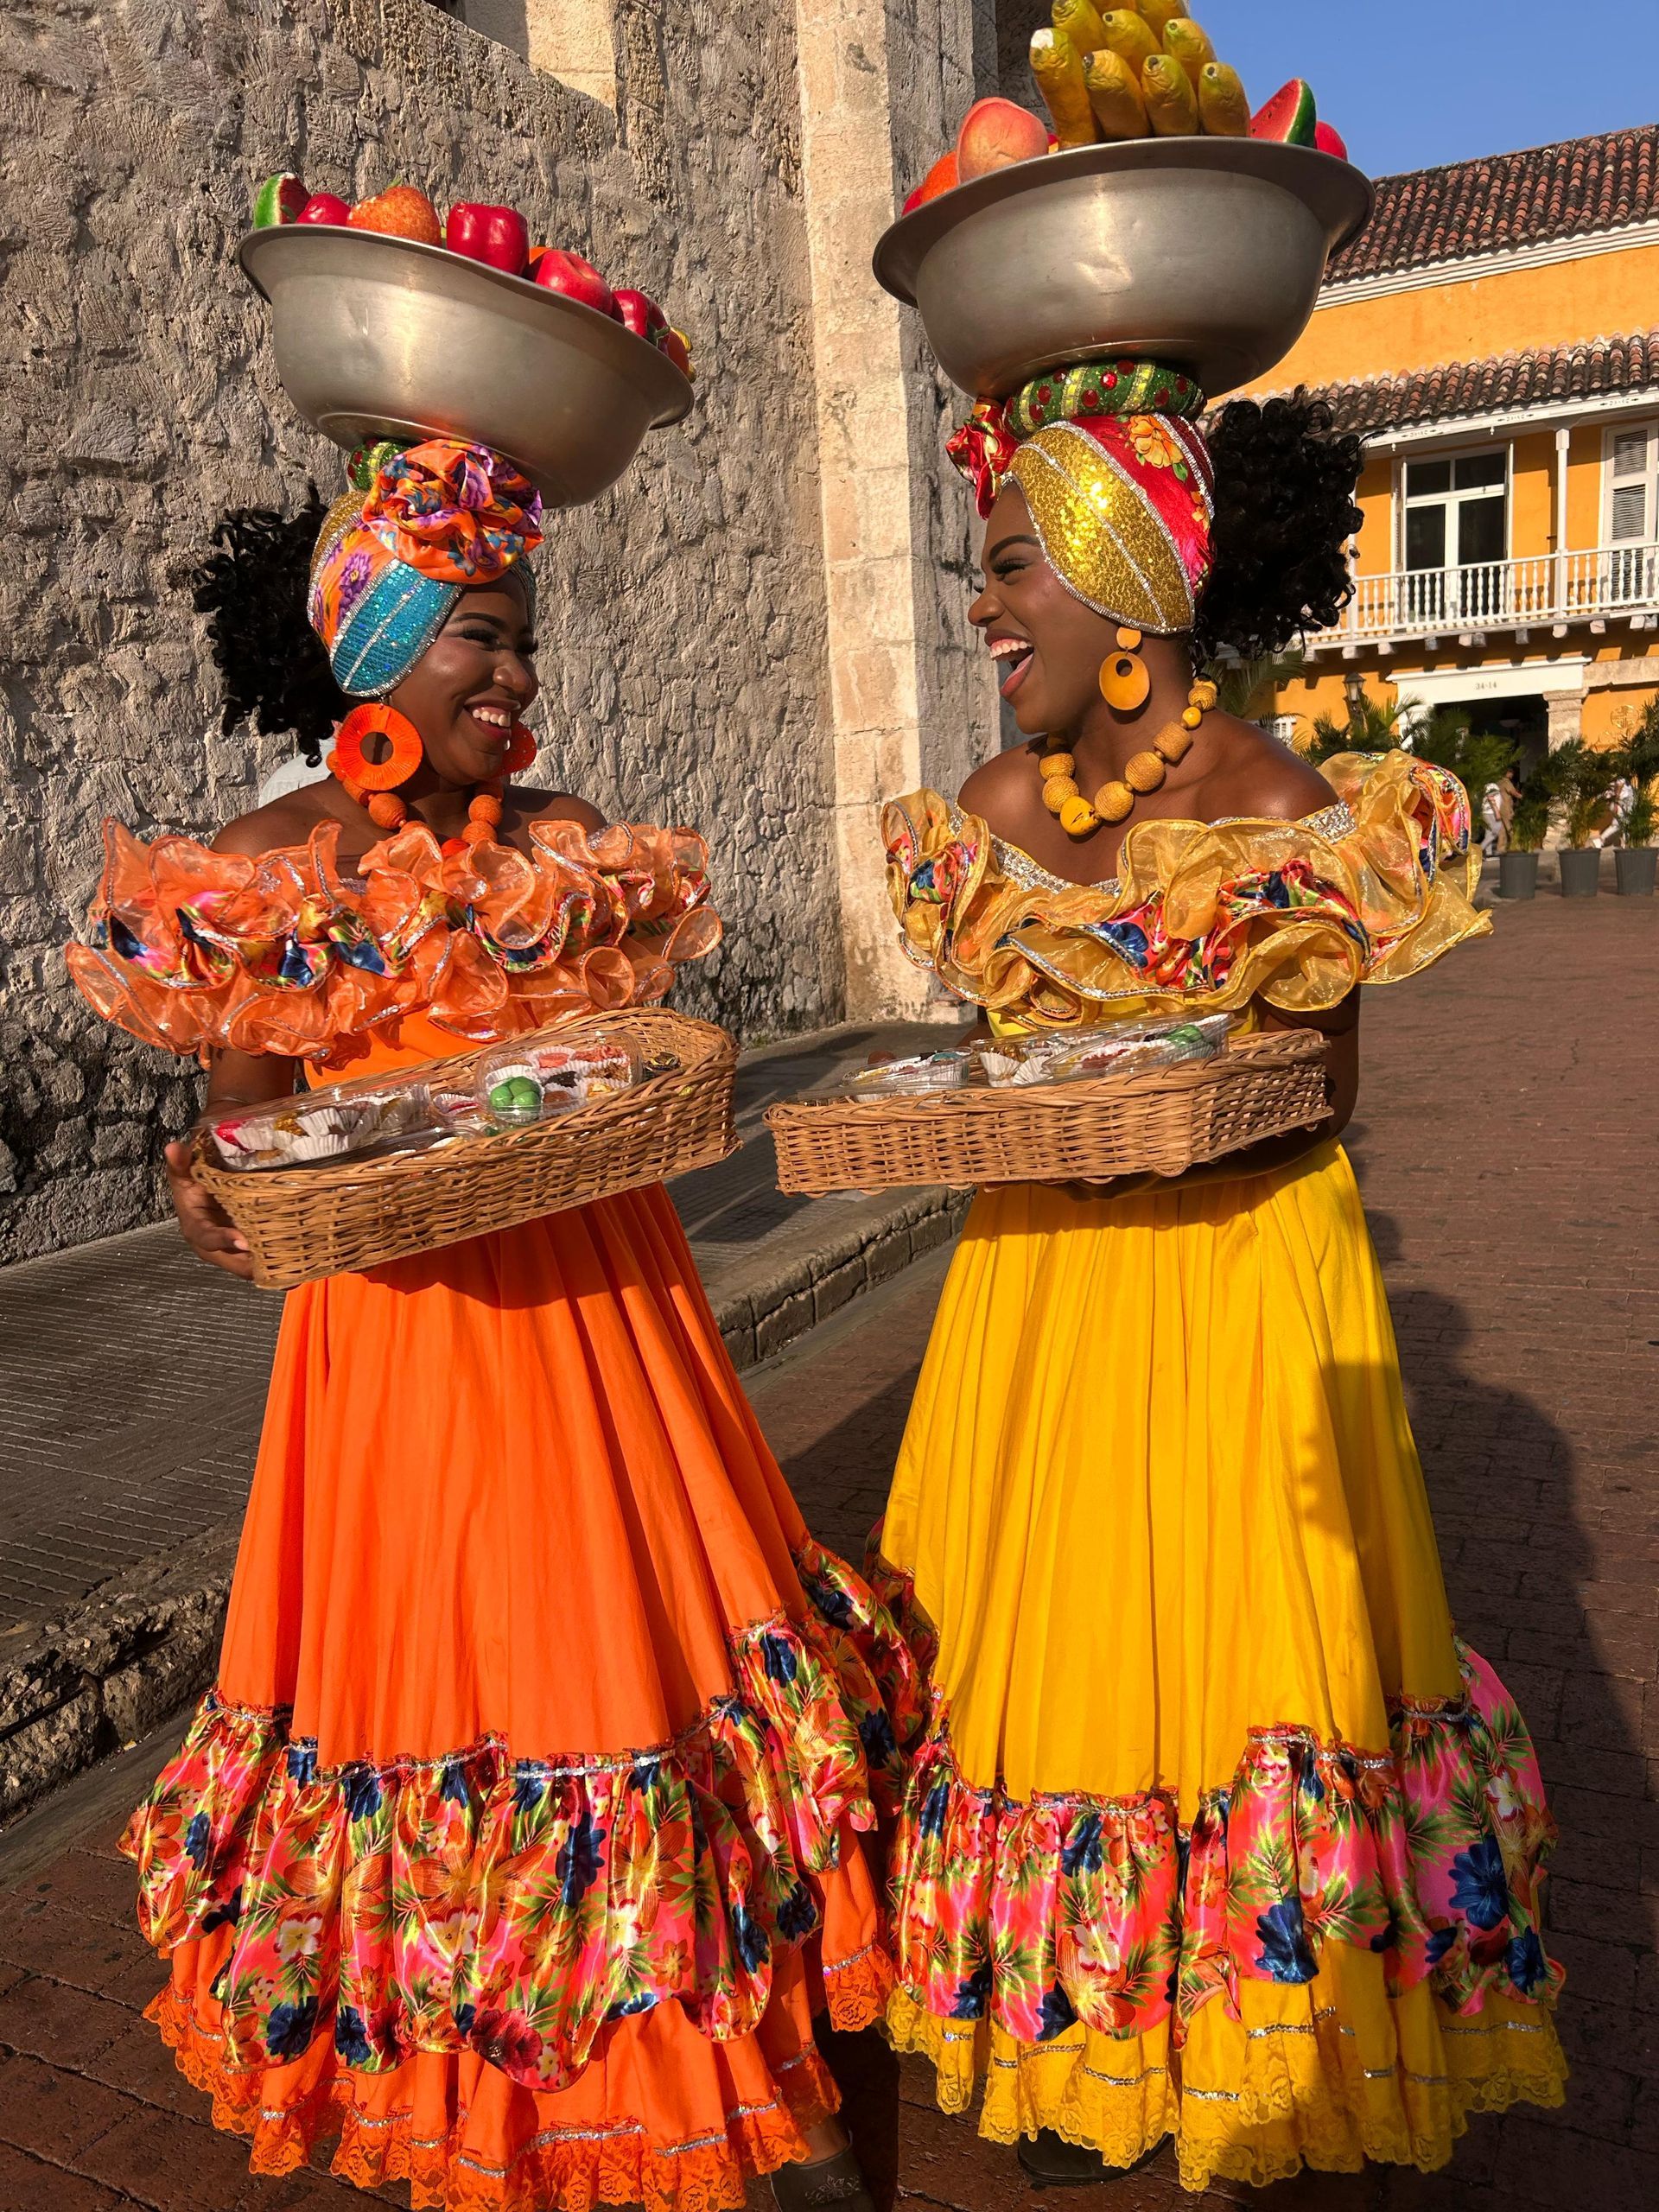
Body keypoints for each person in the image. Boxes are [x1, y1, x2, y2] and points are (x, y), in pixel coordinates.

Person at [68, 440, 918, 2212]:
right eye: (479, 633)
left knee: (637, 1660)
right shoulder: (267, 865)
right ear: (371, 639)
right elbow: (241, 1099)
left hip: (605, 1324)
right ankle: (507, 2088)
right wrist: (205, 1176)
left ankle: (745, 2080)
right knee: (467, 1696)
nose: (517, 674)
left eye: (525, 638)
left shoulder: (561, 854)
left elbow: (626, 1062)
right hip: (398, 1356)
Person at [869, 374, 1566, 2192]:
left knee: (1231, 1639)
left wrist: (1157, 1107)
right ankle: (1081, 2015)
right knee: (1068, 1639)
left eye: (1015, 560)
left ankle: (1254, 2018)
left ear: (1124, 584)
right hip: (1043, 1294)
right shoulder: (990, 810)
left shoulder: (1284, 806)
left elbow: (1317, 1090)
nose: (984, 600)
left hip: (1246, 1284)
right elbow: (995, 1069)